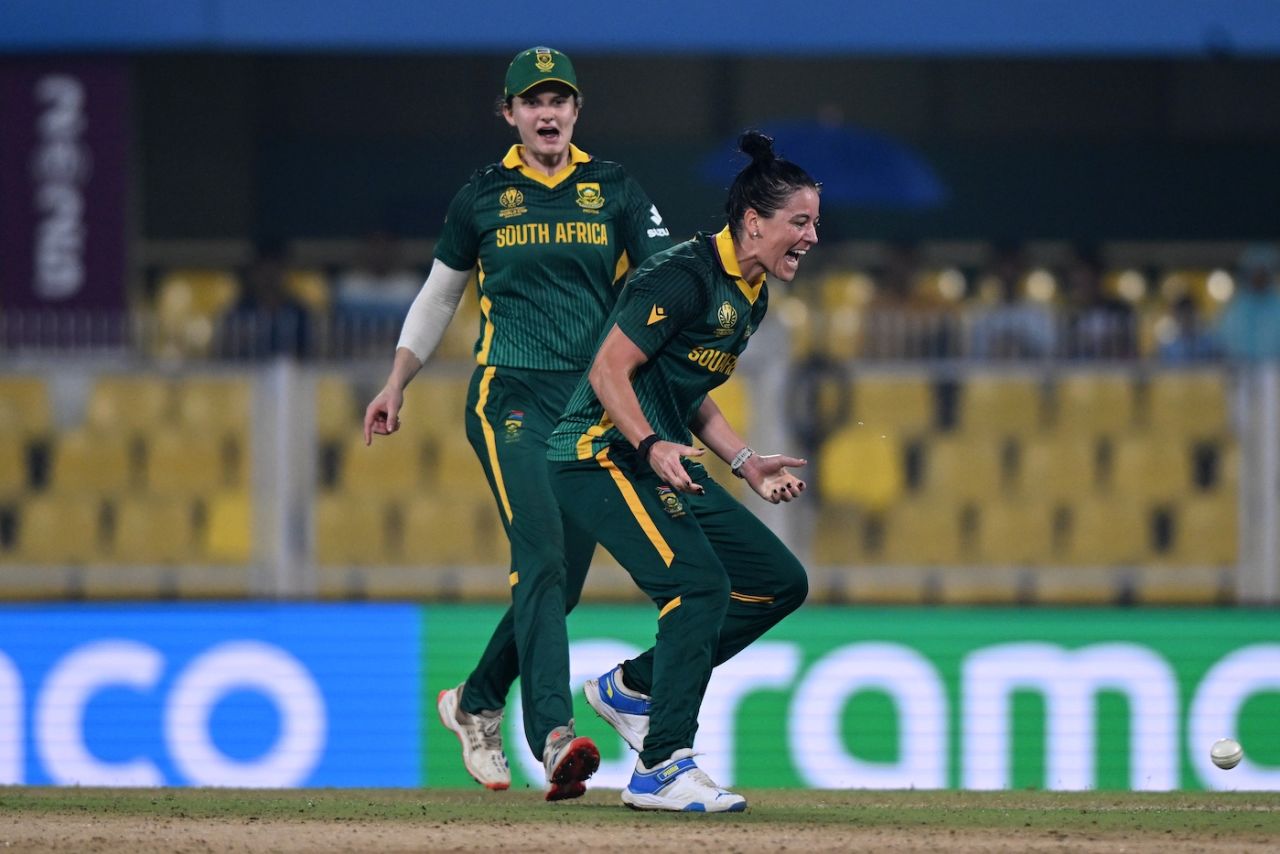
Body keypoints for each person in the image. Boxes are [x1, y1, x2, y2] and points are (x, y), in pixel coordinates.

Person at [362, 47, 673, 801]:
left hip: (590, 407)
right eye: (532, 102)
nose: (547, 113)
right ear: (508, 114)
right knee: (540, 560)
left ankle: (472, 702)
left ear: (576, 111)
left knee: (558, 587)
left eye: (559, 100)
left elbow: (666, 285)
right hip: (510, 396)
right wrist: (397, 379)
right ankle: (553, 738)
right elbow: (439, 299)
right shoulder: (482, 197)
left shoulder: (615, 190)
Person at [547, 131, 817, 812]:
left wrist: (746, 461)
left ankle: (632, 688)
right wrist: (648, 445)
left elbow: (687, 391)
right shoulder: (681, 274)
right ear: (754, 222)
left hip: (657, 460)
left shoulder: (750, 293)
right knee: (699, 586)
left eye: (816, 222)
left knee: (779, 581)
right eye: (801, 222)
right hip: (599, 455)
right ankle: (660, 767)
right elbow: (610, 369)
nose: (813, 237)